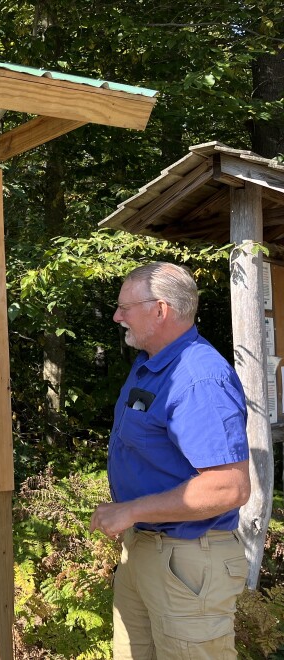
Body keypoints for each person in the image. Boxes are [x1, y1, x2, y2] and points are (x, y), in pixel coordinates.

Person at [90, 262, 251, 659]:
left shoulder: (198, 378)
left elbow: (229, 486)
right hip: (146, 551)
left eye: (126, 307)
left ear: (160, 310)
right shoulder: (152, 364)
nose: (117, 316)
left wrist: (131, 510)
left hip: (187, 561)